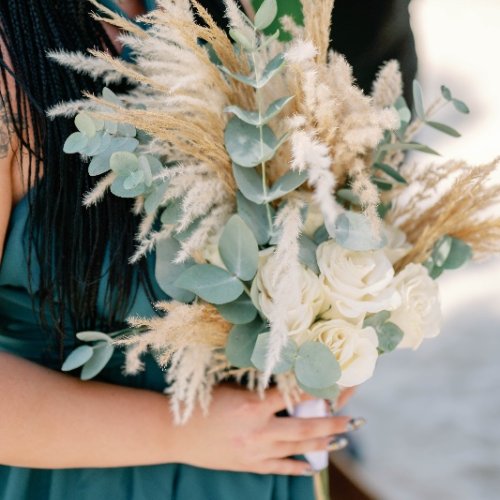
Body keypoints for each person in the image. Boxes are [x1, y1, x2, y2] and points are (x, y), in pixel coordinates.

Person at [0, 1, 416, 499]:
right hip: (80, 478)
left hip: (252, 467)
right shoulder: (11, 68)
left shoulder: (231, 20)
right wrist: (180, 431)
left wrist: (327, 330)